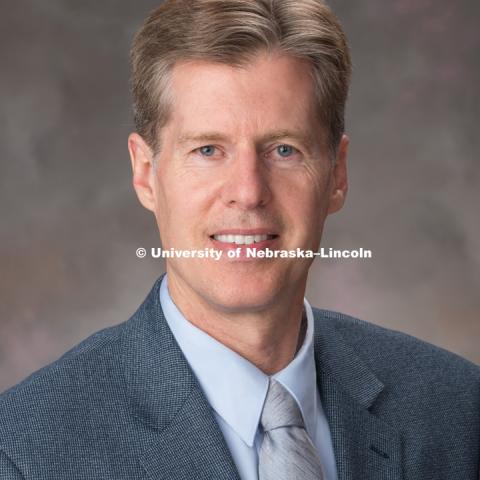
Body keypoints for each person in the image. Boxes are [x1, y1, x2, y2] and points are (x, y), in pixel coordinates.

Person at [0, 0, 478, 478]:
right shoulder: (26, 450)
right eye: (208, 149)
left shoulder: (457, 409)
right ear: (146, 174)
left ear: (337, 175)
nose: (248, 192)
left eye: (284, 150)